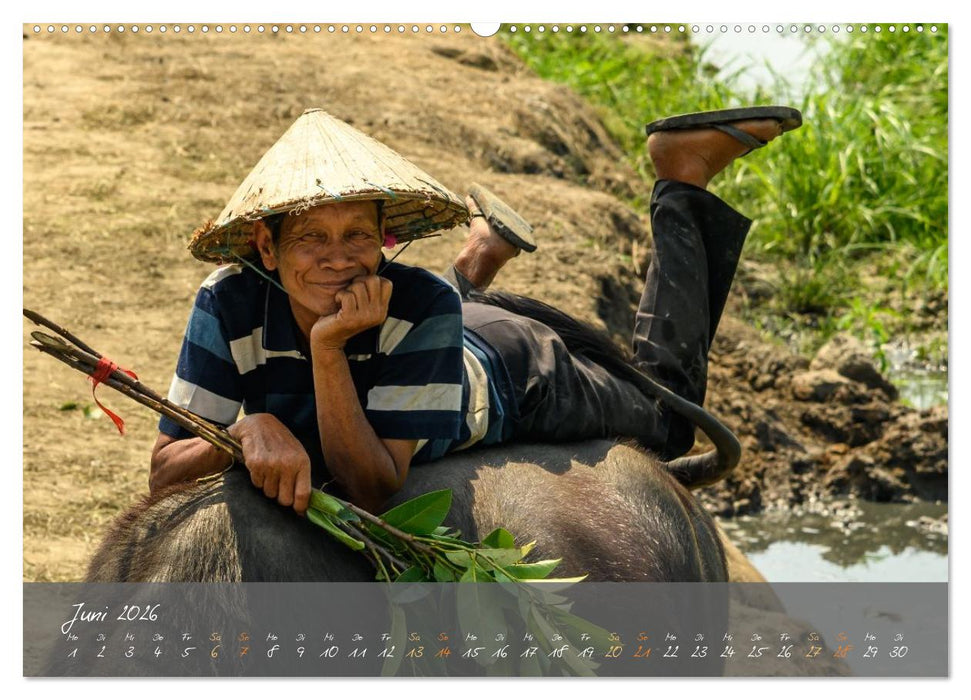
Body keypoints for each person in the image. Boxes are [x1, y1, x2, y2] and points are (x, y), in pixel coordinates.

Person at [150, 106, 801, 514]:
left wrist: (326, 347)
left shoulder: (419, 303)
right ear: (265, 245)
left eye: (358, 236)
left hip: (512, 375)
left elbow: (372, 486)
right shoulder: (226, 302)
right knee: (415, 321)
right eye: (310, 238)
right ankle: (481, 256)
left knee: (665, 423)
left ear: (386, 241)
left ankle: (681, 178)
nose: (337, 258)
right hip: (427, 344)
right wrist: (240, 430)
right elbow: (163, 474)